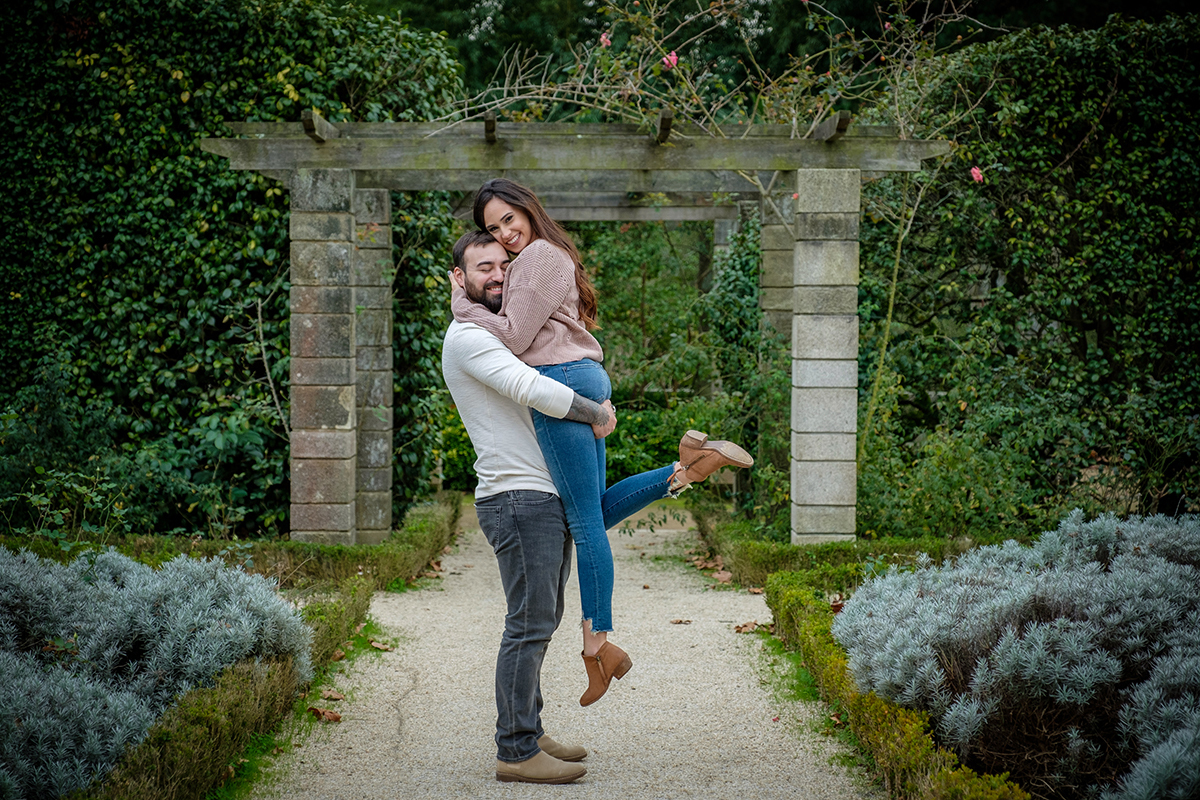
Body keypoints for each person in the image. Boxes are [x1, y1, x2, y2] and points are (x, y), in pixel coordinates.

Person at [449, 178, 754, 708]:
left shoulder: (541, 255)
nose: (505, 232)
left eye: (508, 218)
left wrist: (461, 306)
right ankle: (682, 472)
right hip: (581, 377)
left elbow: (515, 337)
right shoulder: (536, 259)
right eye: (493, 228)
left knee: (585, 524)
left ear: (528, 209)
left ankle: (597, 643)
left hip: (563, 384)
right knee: (589, 511)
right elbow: (518, 324)